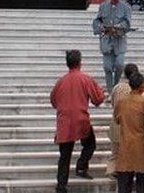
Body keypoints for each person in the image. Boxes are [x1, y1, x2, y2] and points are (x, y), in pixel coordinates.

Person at [50, 50, 105, 193]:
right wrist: (102, 93)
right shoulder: (85, 79)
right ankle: (81, 166)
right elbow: (98, 99)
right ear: (80, 63)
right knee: (90, 144)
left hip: (64, 122)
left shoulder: (61, 81)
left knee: (65, 155)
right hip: (80, 120)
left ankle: (61, 186)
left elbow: (53, 101)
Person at [114, 73, 144, 193]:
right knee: (143, 185)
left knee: (124, 185)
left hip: (125, 146)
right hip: (142, 147)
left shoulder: (121, 103)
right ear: (141, 86)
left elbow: (117, 120)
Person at [92, 0, 132, 94]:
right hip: (107, 40)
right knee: (107, 67)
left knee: (120, 64)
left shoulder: (126, 7)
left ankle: (116, 86)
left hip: (119, 40)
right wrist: (100, 27)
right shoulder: (103, 6)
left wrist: (120, 27)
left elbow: (127, 23)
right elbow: (97, 20)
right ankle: (110, 91)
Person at [107, 63, 139, 177]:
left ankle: (112, 170)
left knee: (115, 152)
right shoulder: (135, 89)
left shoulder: (117, 87)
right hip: (129, 125)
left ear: (124, 74)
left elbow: (112, 103)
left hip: (116, 122)